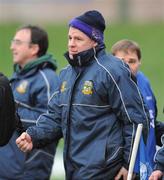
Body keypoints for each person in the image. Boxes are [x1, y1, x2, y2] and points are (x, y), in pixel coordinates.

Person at [16, 10, 150, 180]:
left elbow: (136, 119)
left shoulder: (113, 71)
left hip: (108, 170)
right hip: (74, 169)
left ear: (95, 41)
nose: (71, 43)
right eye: (70, 38)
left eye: (78, 39)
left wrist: (128, 163)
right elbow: (56, 117)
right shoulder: (66, 74)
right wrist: (34, 135)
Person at [0, 25, 60, 180]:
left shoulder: (47, 79)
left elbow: (51, 121)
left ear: (34, 49)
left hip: (28, 171)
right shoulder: (15, 78)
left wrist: (8, 110)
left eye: (18, 42)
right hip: (7, 168)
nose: (12, 47)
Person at [111, 39, 164, 178]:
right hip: (122, 169)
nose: (127, 66)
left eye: (132, 61)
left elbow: (150, 122)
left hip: (148, 168)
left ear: (140, 62)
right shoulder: (109, 87)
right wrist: (127, 164)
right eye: (122, 61)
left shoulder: (145, 83)